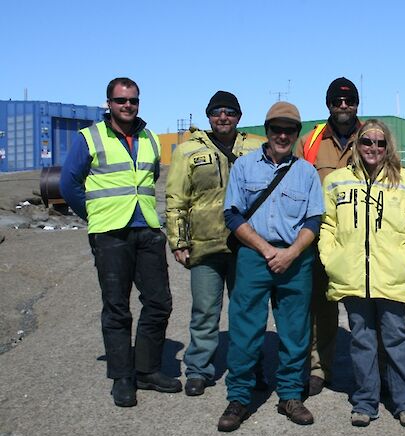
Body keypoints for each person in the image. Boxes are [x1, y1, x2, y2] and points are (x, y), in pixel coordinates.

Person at [60, 77, 181, 407]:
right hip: (110, 233)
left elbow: (150, 177)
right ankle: (122, 377)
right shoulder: (89, 138)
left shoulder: (150, 138)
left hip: (147, 229)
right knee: (116, 307)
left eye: (133, 101)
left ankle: (146, 370)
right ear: (109, 103)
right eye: (121, 100)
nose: (128, 106)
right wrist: (96, 214)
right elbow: (69, 184)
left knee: (159, 302)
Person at [319, 119, 405, 427]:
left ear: (389, 147)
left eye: (380, 143)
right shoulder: (336, 181)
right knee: (362, 340)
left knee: (396, 339)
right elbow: (327, 224)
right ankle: (366, 401)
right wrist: (331, 260)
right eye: (367, 141)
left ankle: (404, 401)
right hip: (352, 276)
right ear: (357, 144)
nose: (373, 148)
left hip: (393, 276)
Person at [216, 102, 323, 431]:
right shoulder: (245, 167)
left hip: (295, 258)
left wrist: (291, 253)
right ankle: (239, 397)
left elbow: (314, 219)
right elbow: (232, 214)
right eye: (276, 128)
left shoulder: (305, 171)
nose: (281, 135)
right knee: (245, 331)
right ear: (266, 129)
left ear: (296, 134)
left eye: (289, 130)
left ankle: (291, 395)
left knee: (295, 332)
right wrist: (264, 249)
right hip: (253, 255)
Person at [165, 91, 266, 396]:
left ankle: (249, 367)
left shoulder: (256, 147)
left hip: (247, 244)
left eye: (230, 112)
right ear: (208, 116)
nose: (224, 117)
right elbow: (176, 198)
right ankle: (199, 369)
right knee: (205, 311)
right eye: (217, 112)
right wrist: (177, 240)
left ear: (239, 116)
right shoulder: (188, 151)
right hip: (204, 244)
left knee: (246, 310)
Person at [296, 77, 362, 396]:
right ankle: (319, 368)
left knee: (364, 308)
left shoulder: (372, 138)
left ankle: (371, 372)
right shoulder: (310, 141)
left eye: (349, 101)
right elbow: (295, 185)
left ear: (357, 104)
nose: (344, 106)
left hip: (363, 239)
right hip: (321, 237)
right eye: (338, 101)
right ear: (329, 105)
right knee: (321, 307)